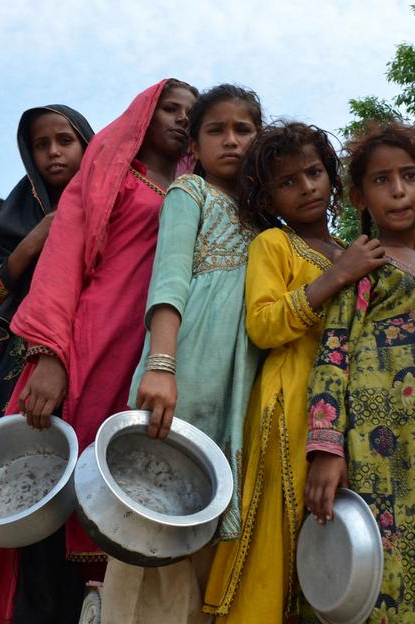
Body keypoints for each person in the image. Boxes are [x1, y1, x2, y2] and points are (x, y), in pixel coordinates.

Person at [8, 80, 196, 622]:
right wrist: (51, 356)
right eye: (170, 109)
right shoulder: (111, 173)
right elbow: (63, 258)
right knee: (76, 478)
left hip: (159, 345)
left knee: (136, 480)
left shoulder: (197, 186)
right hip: (96, 337)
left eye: (191, 112)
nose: (181, 120)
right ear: (143, 113)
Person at [202, 122, 384, 621]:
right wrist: (339, 275)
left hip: (348, 413)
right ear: (268, 197)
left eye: (313, 173)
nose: (305, 187)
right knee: (279, 535)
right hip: (288, 407)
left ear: (331, 178)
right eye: (288, 182)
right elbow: (263, 325)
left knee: (335, 538)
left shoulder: (353, 246)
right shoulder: (274, 246)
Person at [305, 122, 415, 623]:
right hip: (371, 452)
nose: (398, 190)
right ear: (359, 194)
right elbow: (332, 354)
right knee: (371, 574)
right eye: (382, 180)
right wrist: (325, 449)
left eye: (409, 176)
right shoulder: (363, 267)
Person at [115, 84, 263, 622]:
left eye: (243, 130)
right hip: (185, 367)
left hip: (241, 380)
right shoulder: (189, 193)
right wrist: (162, 365)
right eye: (216, 130)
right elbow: (169, 282)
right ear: (194, 146)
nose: (231, 141)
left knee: (212, 512)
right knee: (159, 505)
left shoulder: (268, 221)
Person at [0, 106, 94, 624]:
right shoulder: (12, 222)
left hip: (92, 367)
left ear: (88, 146)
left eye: (66, 140)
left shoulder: (116, 208)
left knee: (82, 510)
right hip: (25, 377)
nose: (55, 152)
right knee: (26, 504)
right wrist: (46, 234)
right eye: (42, 144)